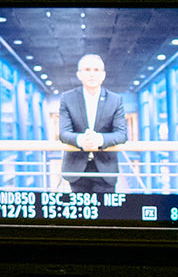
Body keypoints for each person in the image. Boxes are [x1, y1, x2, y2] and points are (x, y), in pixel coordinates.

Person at [54, 54, 131, 193]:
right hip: (76, 170)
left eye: (96, 70)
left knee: (106, 214)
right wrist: (80, 140)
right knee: (79, 212)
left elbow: (121, 134)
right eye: (87, 70)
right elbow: (64, 133)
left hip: (105, 169)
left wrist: (100, 139)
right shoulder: (67, 98)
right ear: (79, 74)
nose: (92, 74)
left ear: (103, 75)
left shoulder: (115, 100)